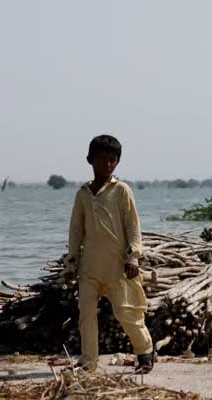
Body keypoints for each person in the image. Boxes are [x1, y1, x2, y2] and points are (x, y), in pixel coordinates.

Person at [65, 135, 154, 374]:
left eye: (112, 160)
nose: (107, 164)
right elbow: (76, 229)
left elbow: (133, 226)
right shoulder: (83, 193)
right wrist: (71, 261)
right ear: (90, 160)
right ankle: (88, 362)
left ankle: (145, 353)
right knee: (86, 315)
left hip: (117, 265)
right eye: (102, 159)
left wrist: (133, 256)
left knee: (127, 311)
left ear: (117, 163)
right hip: (90, 266)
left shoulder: (121, 190)